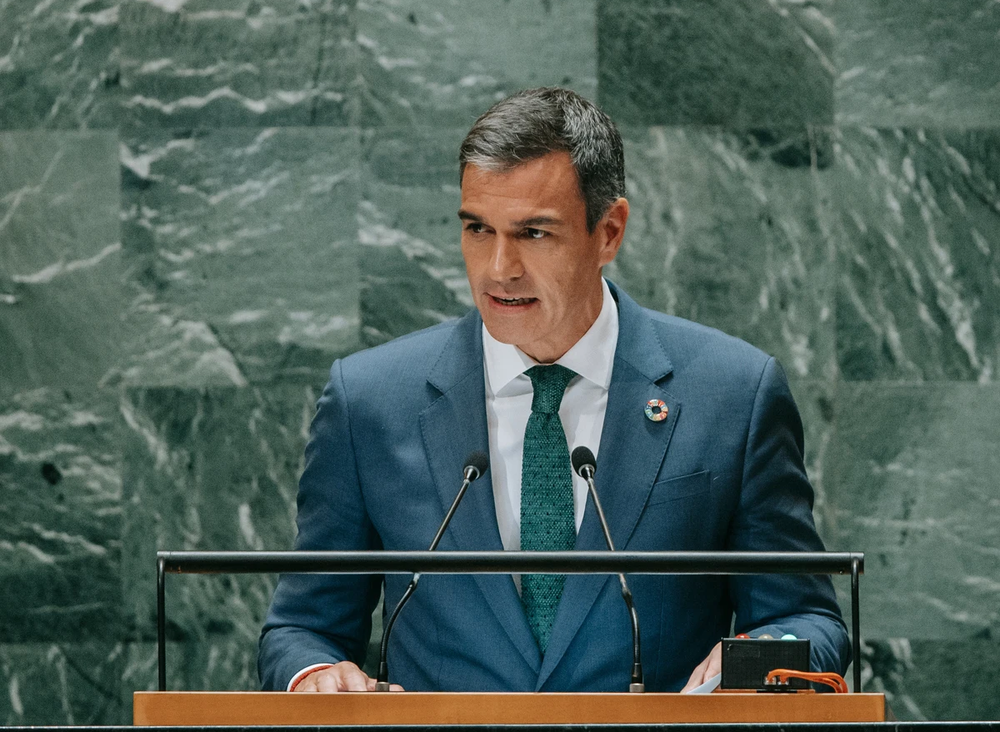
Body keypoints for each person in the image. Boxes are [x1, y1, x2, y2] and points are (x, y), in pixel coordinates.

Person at [258, 87, 850, 693]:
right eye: (478, 228)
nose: (499, 268)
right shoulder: (369, 401)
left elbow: (805, 618)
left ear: (609, 231)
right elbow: (302, 628)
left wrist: (753, 659)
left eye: (534, 233)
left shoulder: (733, 395)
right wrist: (316, 676)